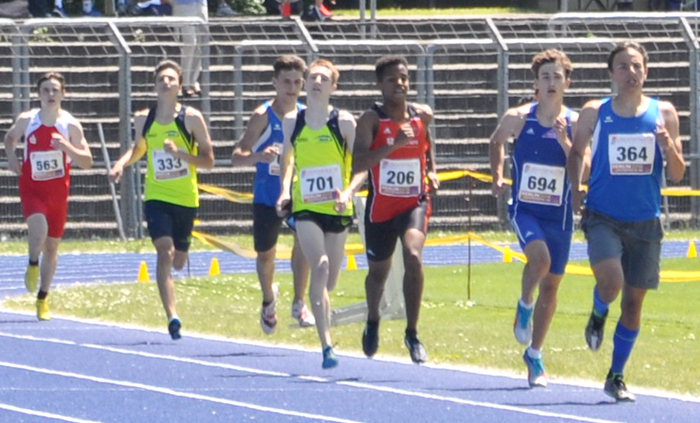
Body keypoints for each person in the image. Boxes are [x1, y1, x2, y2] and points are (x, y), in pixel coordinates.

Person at [567, 41, 685, 402]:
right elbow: (575, 152)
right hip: (603, 216)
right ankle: (598, 312)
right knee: (612, 281)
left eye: (636, 66)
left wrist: (668, 147)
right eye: (622, 66)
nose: (630, 72)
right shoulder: (595, 112)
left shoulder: (663, 113)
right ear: (611, 74)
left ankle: (616, 375)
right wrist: (576, 190)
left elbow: (679, 174)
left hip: (646, 222)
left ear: (646, 71)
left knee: (634, 304)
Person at [490, 49, 580, 387]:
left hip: (560, 214)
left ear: (567, 83)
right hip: (525, 207)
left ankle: (535, 355)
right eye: (546, 77)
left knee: (553, 284)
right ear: (536, 84)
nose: (552, 82)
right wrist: (498, 174)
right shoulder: (519, 117)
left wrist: (565, 141)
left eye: (558, 77)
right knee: (538, 260)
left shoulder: (573, 122)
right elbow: (496, 141)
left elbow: (580, 165)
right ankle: (524, 303)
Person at [109, 59, 214, 340]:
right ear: (155, 85)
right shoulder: (145, 118)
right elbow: (138, 149)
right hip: (157, 195)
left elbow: (208, 161)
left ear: (180, 85)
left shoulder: (191, 118)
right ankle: (172, 316)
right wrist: (121, 164)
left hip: (186, 198)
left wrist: (180, 154)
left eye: (171, 79)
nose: (165, 83)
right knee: (164, 251)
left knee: (179, 261)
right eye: (161, 79)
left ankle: (181, 257)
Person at [276, 58, 365, 369]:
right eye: (312, 77)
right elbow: (286, 161)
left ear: (332, 87)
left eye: (323, 79)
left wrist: (348, 192)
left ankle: (316, 307)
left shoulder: (344, 123)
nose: (316, 82)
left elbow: (361, 167)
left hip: (338, 209)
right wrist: (285, 191)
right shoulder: (292, 122)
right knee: (321, 266)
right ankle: (326, 345)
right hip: (306, 207)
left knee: (330, 282)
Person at [352, 55, 439, 365]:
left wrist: (431, 170)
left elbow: (426, 144)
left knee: (413, 255)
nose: (399, 83)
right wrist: (392, 145)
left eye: (403, 77)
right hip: (380, 209)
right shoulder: (371, 120)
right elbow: (359, 163)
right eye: (392, 79)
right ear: (381, 85)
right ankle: (373, 318)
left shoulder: (421, 116)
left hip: (414, 203)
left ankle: (412, 333)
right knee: (378, 273)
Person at [231, 55, 315, 334]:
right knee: (265, 256)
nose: (291, 88)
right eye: (286, 82)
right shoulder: (262, 115)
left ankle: (299, 301)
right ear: (275, 83)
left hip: (297, 194)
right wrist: (259, 156)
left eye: (297, 82)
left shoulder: (307, 114)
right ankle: (268, 299)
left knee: (304, 240)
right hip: (267, 195)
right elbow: (236, 157)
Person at [4, 72, 93, 321]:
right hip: (32, 187)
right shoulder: (27, 120)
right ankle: (33, 262)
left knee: (52, 248)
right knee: (38, 226)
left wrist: (67, 147)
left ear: (63, 93)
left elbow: (87, 162)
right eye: (45, 90)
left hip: (58, 192)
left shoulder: (70, 125)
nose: (50, 94)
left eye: (55, 90)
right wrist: (12, 157)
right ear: (38, 94)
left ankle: (43, 297)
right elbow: (9, 139)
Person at [172, 0, 207, 97]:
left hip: (201, 3)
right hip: (184, 4)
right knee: (190, 43)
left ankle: (193, 81)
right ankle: (185, 83)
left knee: (201, 46)